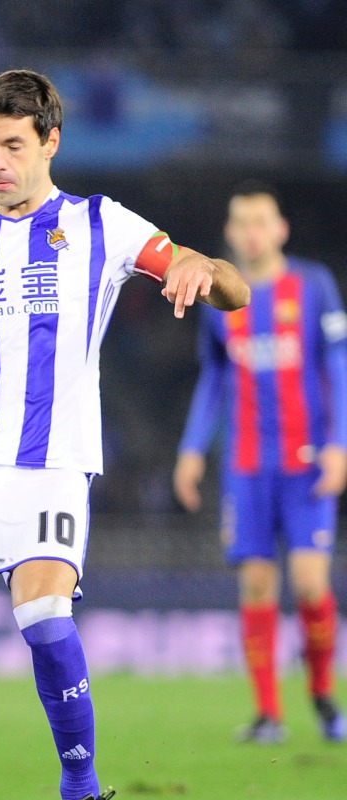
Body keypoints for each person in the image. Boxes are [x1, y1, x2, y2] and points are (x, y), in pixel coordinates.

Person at [0, 70, 250, 800]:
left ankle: (80, 798)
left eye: (13, 145)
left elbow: (224, 283)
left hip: (49, 469)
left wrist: (200, 267)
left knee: (44, 619)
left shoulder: (100, 225)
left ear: (50, 140)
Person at [174, 183, 346, 744]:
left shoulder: (313, 285)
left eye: (261, 221)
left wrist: (340, 444)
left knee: (310, 583)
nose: (251, 231)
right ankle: (269, 715)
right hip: (247, 467)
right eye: (241, 222)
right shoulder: (219, 299)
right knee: (255, 583)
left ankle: (322, 695)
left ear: (280, 230)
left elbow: (338, 367)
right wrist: (192, 450)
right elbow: (214, 378)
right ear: (230, 233)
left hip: (306, 463)